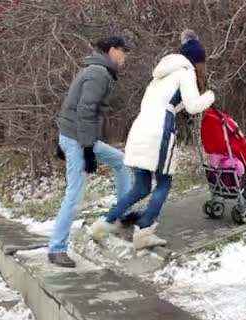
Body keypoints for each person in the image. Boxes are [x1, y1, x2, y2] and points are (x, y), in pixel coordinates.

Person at [91, 29, 215, 250]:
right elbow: (194, 105)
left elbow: (175, 102)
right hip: (160, 131)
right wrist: (210, 96)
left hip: (140, 128)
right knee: (164, 182)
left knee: (141, 186)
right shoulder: (185, 72)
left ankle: (105, 222)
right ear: (196, 60)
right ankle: (145, 231)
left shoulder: (159, 77)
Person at [49, 35, 132, 268]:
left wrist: (69, 138)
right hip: (78, 139)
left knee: (122, 162)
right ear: (112, 50)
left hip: (78, 136)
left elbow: (72, 103)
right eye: (122, 51)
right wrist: (86, 149)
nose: (124, 56)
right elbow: (85, 111)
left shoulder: (96, 69)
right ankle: (56, 248)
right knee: (74, 195)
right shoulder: (98, 73)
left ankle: (123, 213)